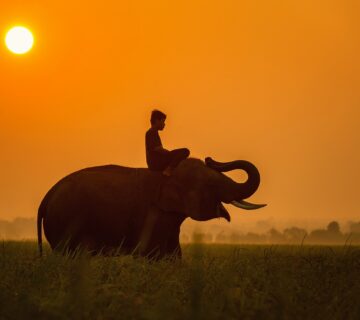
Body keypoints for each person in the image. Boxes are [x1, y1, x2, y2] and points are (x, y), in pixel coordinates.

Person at [145, 110, 190, 176]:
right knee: (185, 151)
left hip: (156, 162)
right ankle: (169, 169)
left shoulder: (153, 132)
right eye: (163, 121)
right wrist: (170, 154)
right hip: (156, 163)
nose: (164, 124)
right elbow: (158, 149)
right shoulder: (151, 132)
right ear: (157, 121)